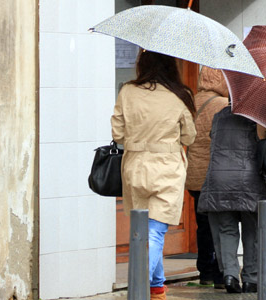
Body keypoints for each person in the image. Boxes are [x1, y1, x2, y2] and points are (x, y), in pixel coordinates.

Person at [111, 50, 196, 300]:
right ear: (171, 66)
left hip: (135, 166)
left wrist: (138, 140)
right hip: (167, 167)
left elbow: (118, 133)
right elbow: (189, 137)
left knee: (145, 229)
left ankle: (157, 287)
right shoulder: (180, 95)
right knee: (156, 231)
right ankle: (139, 289)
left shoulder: (127, 91)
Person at [197, 106, 266, 294]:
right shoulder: (257, 115)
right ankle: (251, 278)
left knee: (225, 229)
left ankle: (230, 274)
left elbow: (213, 139)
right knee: (252, 231)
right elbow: (264, 140)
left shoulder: (219, 116)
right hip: (250, 179)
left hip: (219, 179)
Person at [185, 66, 228, 288]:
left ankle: (205, 272)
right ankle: (221, 274)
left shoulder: (190, 101)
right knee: (220, 225)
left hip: (193, 173)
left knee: (202, 224)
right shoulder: (223, 105)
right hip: (215, 173)